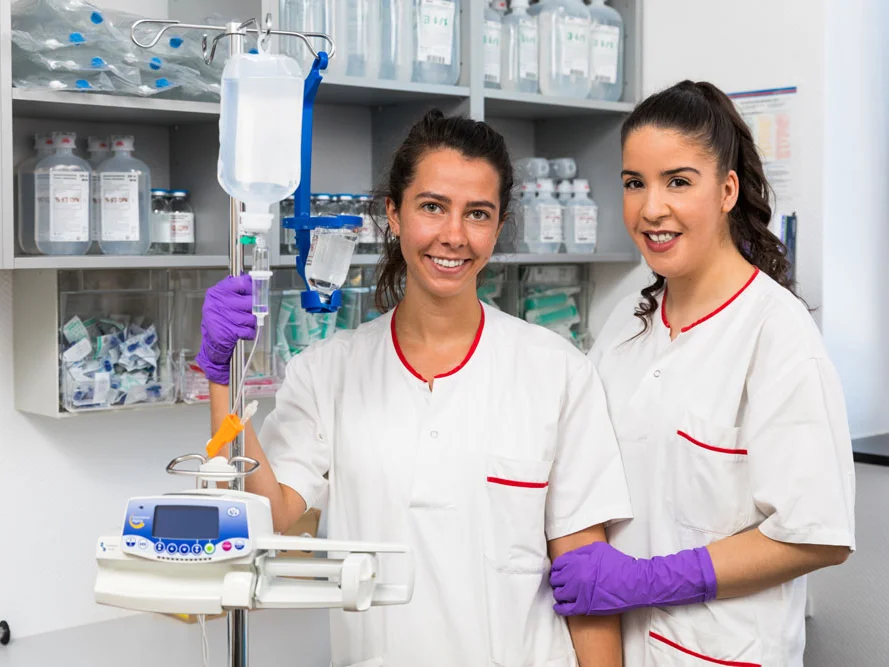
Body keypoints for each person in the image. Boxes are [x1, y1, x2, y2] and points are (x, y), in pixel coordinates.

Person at [197, 110, 633, 667]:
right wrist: (222, 379)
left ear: (498, 227)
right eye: (432, 207)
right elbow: (267, 516)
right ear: (393, 214)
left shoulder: (557, 372)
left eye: (478, 214)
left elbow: (586, 580)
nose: (454, 235)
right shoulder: (328, 372)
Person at [548, 80, 856, 667]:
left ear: (727, 191)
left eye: (678, 182)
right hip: (618, 647)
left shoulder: (776, 335)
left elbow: (817, 535)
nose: (651, 209)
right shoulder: (626, 323)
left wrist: (646, 579)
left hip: (724, 651)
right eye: (634, 183)